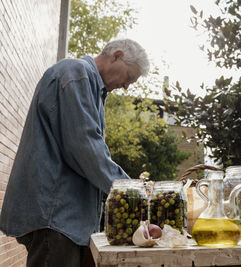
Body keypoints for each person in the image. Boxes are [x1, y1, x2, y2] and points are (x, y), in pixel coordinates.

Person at [0, 39, 149, 266]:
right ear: (117, 55)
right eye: (129, 77)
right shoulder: (76, 73)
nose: (127, 86)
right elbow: (86, 148)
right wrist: (131, 190)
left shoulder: (90, 86)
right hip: (56, 216)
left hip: (65, 220)